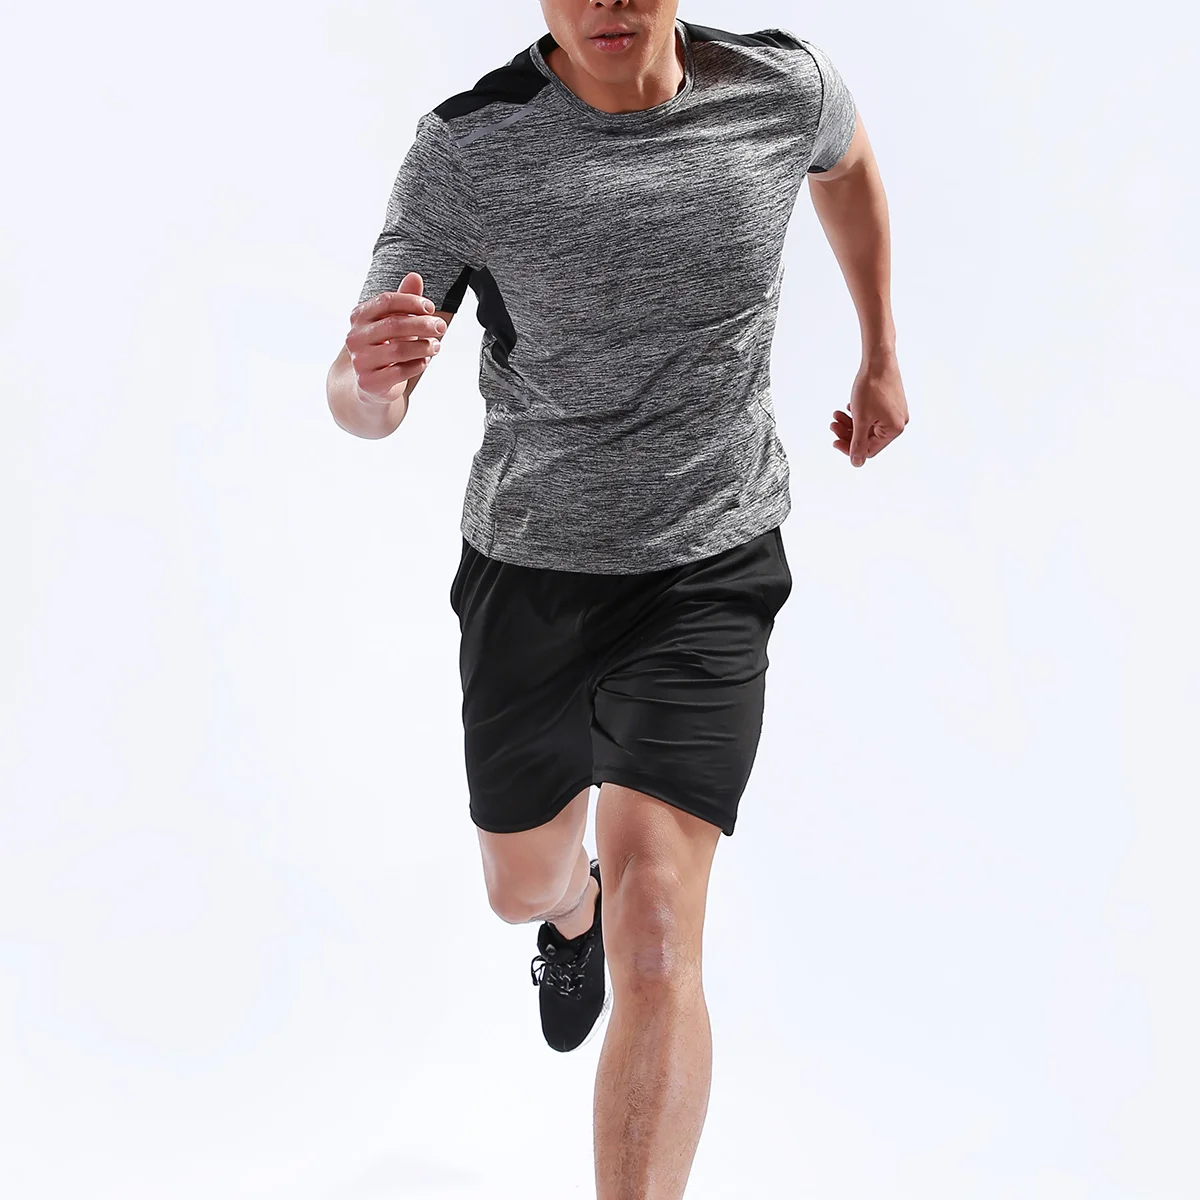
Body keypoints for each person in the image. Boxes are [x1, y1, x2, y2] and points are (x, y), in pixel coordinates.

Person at [325, 3, 909, 1196]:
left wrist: (881, 349)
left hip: (710, 564)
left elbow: (845, 162)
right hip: (532, 568)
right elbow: (358, 388)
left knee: (661, 936)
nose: (607, 3)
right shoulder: (472, 145)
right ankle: (568, 911)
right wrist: (372, 385)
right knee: (521, 887)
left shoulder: (777, 89)